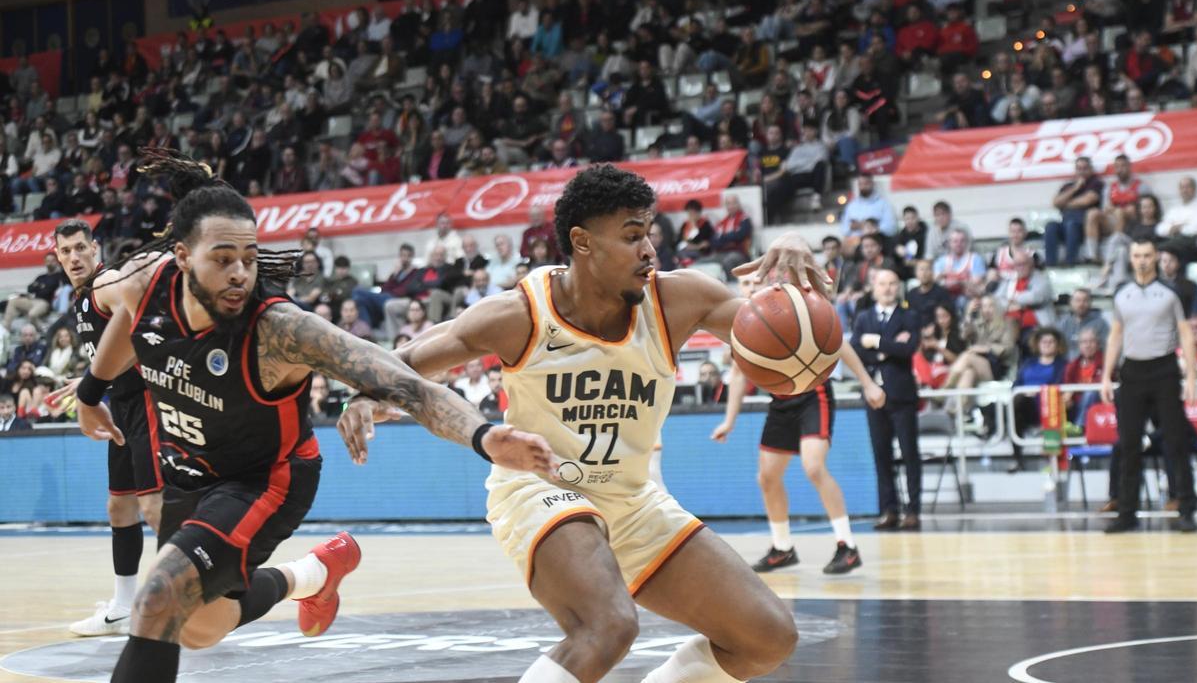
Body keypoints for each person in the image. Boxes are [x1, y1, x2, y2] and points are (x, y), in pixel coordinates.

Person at [340, 165, 868, 683]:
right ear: (583, 242)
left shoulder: (677, 299)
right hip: (539, 489)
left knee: (768, 637)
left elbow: (787, 325)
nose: (649, 251)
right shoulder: (522, 313)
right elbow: (408, 358)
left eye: (650, 235)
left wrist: (799, 245)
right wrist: (366, 395)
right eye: (632, 236)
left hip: (631, 499)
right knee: (608, 625)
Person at [76, 149, 553, 683]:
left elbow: (406, 384)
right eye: (223, 258)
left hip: (266, 479)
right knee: (197, 627)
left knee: (158, 597)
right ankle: (314, 571)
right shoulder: (142, 283)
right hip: (191, 472)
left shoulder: (279, 329)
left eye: (250, 258)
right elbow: (127, 323)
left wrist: (485, 436)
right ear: (182, 258)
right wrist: (91, 391)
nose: (240, 273)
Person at [714, 275, 886, 574]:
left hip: (812, 394)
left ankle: (847, 545)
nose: (752, 288)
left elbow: (838, 346)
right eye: (746, 285)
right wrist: (729, 420)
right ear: (739, 290)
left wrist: (868, 383)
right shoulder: (741, 325)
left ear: (768, 282)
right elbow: (739, 375)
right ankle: (782, 548)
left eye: (757, 282)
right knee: (767, 477)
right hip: (780, 402)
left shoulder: (790, 307)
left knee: (814, 467)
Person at [48, 220, 164, 637]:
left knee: (153, 506)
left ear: (95, 249)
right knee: (120, 507)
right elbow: (112, 346)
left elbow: (138, 313)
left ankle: (192, 592)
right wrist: (91, 379)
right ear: (58, 258)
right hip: (122, 403)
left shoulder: (106, 283)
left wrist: (95, 383)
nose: (75, 257)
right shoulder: (80, 300)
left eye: (81, 247)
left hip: (148, 400)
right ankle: (121, 605)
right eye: (66, 251)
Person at [1101, 238, 1197, 533]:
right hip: (1132, 373)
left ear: (1155, 257)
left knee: (1176, 441)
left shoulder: (1171, 292)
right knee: (1129, 444)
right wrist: (1106, 374)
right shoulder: (1122, 294)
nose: (1142, 260)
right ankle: (1127, 513)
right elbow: (1115, 335)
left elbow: (1185, 334)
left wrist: (1191, 376)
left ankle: (1186, 509)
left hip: (1164, 370)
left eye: (1147, 255)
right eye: (1137, 255)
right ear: (1131, 259)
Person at [851, 269, 922, 530]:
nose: (888, 288)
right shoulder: (863, 317)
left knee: (909, 453)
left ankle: (912, 510)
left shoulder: (909, 316)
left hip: (902, 394)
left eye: (893, 283)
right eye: (883, 283)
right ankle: (888, 510)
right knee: (881, 454)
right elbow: (857, 352)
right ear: (874, 287)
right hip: (873, 394)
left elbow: (908, 349)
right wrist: (887, 348)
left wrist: (877, 342)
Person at [1010, 327, 1068, 472]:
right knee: (1016, 403)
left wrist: (1036, 394)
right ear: (1038, 344)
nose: (1047, 344)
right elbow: (1016, 385)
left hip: (1048, 406)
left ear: (1057, 345)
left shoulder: (1063, 365)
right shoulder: (1028, 363)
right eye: (1044, 341)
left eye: (1051, 342)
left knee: (1018, 404)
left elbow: (1060, 386)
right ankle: (1017, 458)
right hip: (1025, 405)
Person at [1044, 156, 1104, 265]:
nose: (1081, 172)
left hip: (1083, 227)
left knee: (1072, 225)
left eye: (1084, 168)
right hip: (1065, 224)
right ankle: (1050, 264)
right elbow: (1056, 202)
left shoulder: (1095, 183)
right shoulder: (1068, 186)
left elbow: (1087, 200)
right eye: (1079, 168)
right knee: (1050, 226)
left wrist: (1065, 203)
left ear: (1090, 169)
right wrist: (1075, 188)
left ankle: (1070, 262)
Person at [840, 174, 897, 241]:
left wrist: (871, 228)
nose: (863, 187)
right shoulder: (851, 206)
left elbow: (891, 228)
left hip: (877, 240)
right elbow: (844, 229)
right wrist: (853, 227)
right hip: (855, 242)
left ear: (872, 184)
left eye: (866, 183)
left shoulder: (883, 204)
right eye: (860, 184)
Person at [1056, 288, 1110, 359]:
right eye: (1077, 300)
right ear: (1071, 303)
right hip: (1067, 365)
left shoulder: (1100, 324)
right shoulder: (1063, 323)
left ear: (1090, 303)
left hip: (1092, 365)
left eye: (1085, 300)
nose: (1081, 304)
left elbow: (1107, 348)